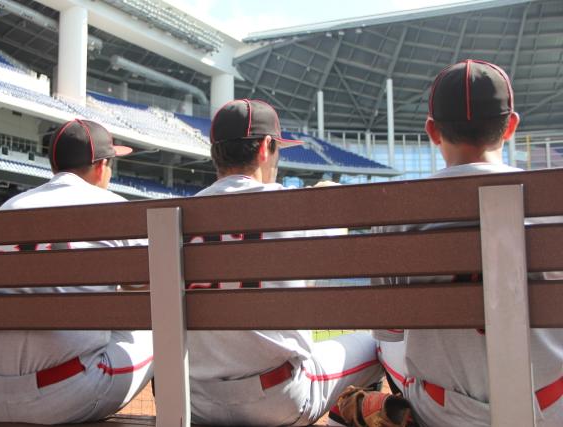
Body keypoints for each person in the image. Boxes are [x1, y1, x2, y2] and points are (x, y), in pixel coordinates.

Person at [370, 60, 563, 427]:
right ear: (511, 127)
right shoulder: (557, 200)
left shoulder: (397, 208)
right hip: (552, 405)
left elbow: (389, 332)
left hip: (444, 411)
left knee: (379, 344)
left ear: (432, 130)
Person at [187, 99, 384, 426]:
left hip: (195, 401)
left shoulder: (176, 215)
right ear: (265, 148)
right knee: (373, 343)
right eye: (277, 149)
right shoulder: (293, 209)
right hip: (278, 401)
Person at [0, 119, 154, 424]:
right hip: (62, 396)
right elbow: (149, 290)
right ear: (101, 167)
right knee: (160, 328)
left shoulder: (9, 207)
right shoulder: (113, 207)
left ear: (54, 167)